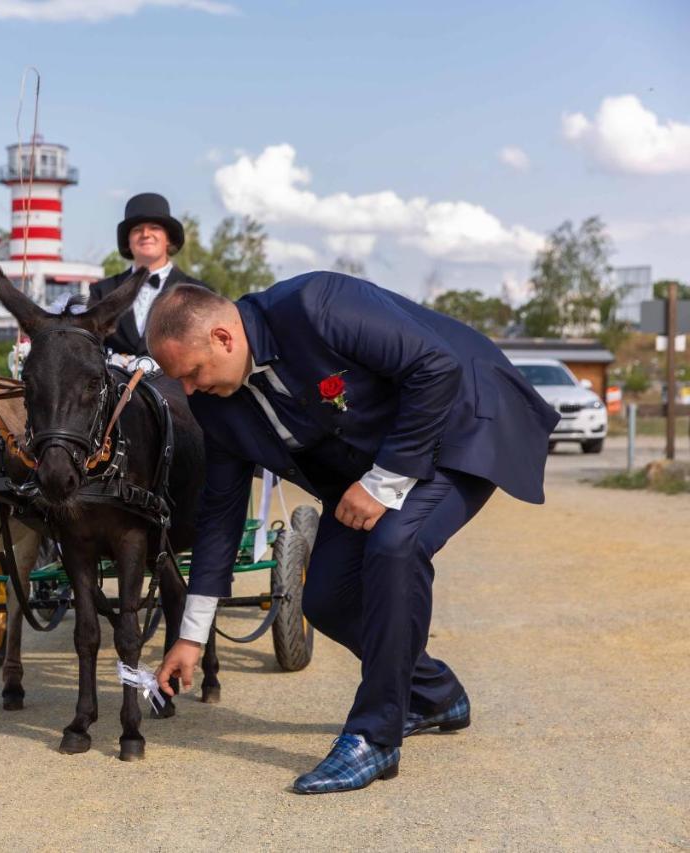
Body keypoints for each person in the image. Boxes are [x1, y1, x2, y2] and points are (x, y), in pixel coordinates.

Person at [146, 273, 559, 794]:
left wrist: (384, 482)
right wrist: (190, 635)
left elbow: (435, 367)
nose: (189, 389)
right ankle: (436, 693)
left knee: (396, 545)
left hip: (464, 422)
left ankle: (375, 736)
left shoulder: (316, 306)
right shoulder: (215, 402)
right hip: (372, 467)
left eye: (193, 372)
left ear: (224, 338)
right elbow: (220, 513)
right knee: (326, 596)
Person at [87, 193, 208, 360]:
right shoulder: (102, 291)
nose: (145, 234)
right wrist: (111, 360)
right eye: (137, 229)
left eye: (154, 227)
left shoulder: (198, 292)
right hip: (117, 383)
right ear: (128, 241)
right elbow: (89, 345)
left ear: (168, 239)